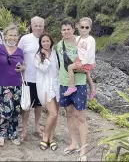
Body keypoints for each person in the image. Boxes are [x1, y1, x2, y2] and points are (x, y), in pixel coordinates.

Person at [56, 19, 89, 162]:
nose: (66, 32)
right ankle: (73, 144)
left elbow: (88, 63)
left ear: (73, 30)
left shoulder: (81, 42)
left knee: (80, 117)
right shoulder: (59, 45)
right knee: (69, 114)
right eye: (63, 30)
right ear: (61, 31)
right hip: (64, 83)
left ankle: (83, 149)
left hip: (80, 84)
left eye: (68, 29)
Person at [0, 24, 25, 147]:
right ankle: (1, 133)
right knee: (6, 111)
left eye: (15, 35)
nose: (12, 37)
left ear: (18, 37)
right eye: (10, 35)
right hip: (2, 84)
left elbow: (24, 65)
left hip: (17, 85)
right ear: (5, 35)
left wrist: (22, 67)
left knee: (16, 112)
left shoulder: (20, 51)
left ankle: (13, 134)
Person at [18, 16, 45, 140]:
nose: (38, 27)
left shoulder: (46, 40)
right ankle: (24, 129)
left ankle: (37, 127)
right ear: (31, 26)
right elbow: (18, 54)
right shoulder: (25, 39)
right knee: (26, 105)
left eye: (40, 25)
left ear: (43, 27)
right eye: (36, 25)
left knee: (39, 105)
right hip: (27, 77)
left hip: (42, 78)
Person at [34, 32, 60, 151]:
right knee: (53, 113)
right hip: (45, 87)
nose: (45, 43)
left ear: (51, 42)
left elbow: (59, 69)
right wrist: (47, 57)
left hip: (56, 86)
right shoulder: (38, 56)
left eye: (47, 41)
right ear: (40, 43)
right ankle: (45, 136)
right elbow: (44, 69)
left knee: (55, 115)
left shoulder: (56, 53)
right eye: (43, 41)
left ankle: (51, 138)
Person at [64, 17, 96, 100]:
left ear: (90, 28)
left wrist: (83, 63)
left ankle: (71, 86)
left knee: (70, 67)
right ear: (79, 27)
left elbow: (89, 52)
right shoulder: (79, 38)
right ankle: (92, 89)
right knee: (88, 75)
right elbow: (73, 40)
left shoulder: (90, 39)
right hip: (80, 60)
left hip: (86, 62)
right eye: (82, 27)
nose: (84, 29)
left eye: (87, 27)